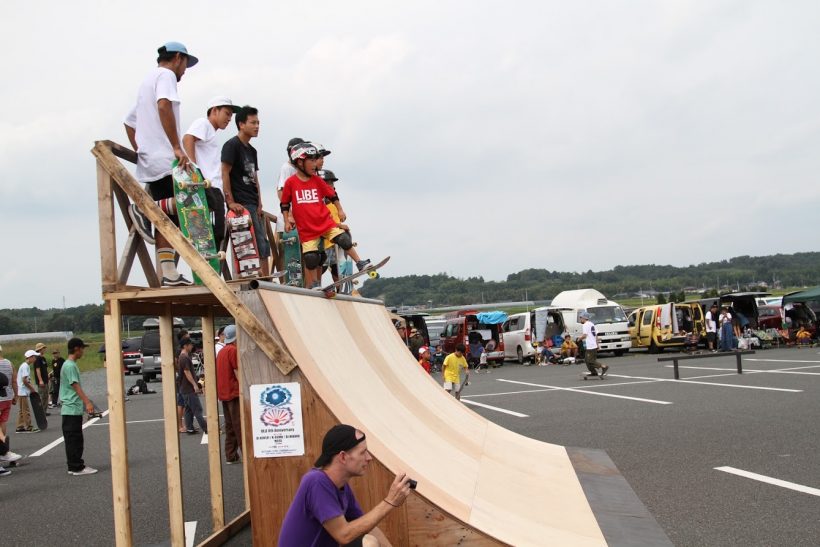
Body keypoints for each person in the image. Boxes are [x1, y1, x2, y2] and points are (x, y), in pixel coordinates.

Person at [124, 41, 199, 286]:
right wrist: (176, 146)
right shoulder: (166, 75)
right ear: (178, 58)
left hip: (152, 159)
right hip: (165, 158)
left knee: (170, 219)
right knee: (188, 204)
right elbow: (164, 105)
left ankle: (168, 273)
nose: (185, 71)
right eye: (186, 64)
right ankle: (144, 209)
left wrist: (141, 149)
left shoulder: (147, 82)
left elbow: (129, 121)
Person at [279, 424, 412, 546]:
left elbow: (366, 526)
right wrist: (390, 502)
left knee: (369, 539)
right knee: (369, 544)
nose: (369, 458)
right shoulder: (316, 481)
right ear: (343, 457)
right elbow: (344, 535)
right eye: (362, 452)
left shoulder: (341, 485)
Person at [280, 142, 370, 288]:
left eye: (316, 160)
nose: (315, 164)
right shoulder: (291, 183)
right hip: (307, 229)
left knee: (344, 239)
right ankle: (314, 285)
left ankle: (360, 263)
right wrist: (286, 220)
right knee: (311, 258)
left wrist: (340, 210)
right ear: (300, 162)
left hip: (324, 222)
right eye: (311, 161)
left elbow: (332, 195)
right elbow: (284, 203)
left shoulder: (317, 180)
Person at [183, 96, 242, 254]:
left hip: (214, 188)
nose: (229, 119)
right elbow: (188, 138)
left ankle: (210, 265)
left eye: (231, 115)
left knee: (217, 233)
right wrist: (193, 168)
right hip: (207, 185)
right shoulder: (204, 123)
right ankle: (206, 265)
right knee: (210, 234)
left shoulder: (211, 132)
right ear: (215, 110)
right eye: (227, 113)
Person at [222, 105, 271, 278]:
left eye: (258, 123)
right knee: (251, 244)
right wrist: (230, 201)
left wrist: (260, 203)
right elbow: (224, 173)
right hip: (240, 203)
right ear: (241, 124)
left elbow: (254, 178)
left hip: (252, 202)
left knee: (262, 242)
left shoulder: (252, 151)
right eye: (253, 123)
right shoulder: (232, 145)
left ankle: (265, 278)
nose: (257, 126)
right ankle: (261, 279)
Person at [61, 338, 97, 475]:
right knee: (74, 439)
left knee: (73, 439)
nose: (83, 351)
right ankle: (77, 467)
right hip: (70, 408)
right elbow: (75, 385)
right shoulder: (70, 365)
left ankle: (73, 466)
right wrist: (87, 402)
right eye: (82, 348)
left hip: (72, 408)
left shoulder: (69, 364)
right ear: (76, 349)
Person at [216, 325, 241, 464]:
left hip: (224, 393)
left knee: (230, 425)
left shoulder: (222, 351)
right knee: (239, 425)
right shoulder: (233, 350)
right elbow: (237, 371)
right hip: (234, 392)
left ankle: (231, 455)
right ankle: (247, 454)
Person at [178, 338, 207, 434]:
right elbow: (187, 372)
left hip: (184, 388)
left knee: (188, 409)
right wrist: (195, 385)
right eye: (190, 344)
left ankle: (190, 428)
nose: (192, 346)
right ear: (185, 346)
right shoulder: (184, 357)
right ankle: (207, 428)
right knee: (197, 409)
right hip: (188, 388)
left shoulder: (184, 356)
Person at [0, 345, 20, 471]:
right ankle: (3, 447)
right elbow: (14, 381)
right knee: (3, 422)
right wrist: (16, 395)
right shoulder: (9, 363)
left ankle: (3, 450)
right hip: (7, 397)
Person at [578, 312, 608, 377]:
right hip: (593, 345)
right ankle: (593, 372)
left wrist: (579, 339)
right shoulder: (591, 324)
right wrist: (597, 345)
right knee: (587, 360)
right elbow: (596, 335)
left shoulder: (585, 325)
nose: (580, 319)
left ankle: (604, 366)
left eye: (581, 317)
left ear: (584, 318)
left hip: (590, 346)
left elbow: (585, 335)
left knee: (590, 360)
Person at [15, 350, 38, 433]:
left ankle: (20, 427)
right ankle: (28, 427)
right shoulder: (25, 366)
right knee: (26, 410)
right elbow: (24, 380)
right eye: (34, 357)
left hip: (21, 391)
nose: (35, 358)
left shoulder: (24, 365)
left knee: (22, 410)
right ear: (30, 357)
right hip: (23, 391)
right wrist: (32, 389)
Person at [33, 342, 50, 416]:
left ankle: (44, 411)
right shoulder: (37, 358)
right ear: (40, 349)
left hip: (45, 380)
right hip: (41, 381)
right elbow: (38, 369)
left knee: (46, 396)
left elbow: (45, 368)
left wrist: (48, 375)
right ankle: (40, 412)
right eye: (43, 348)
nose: (44, 349)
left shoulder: (43, 358)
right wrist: (40, 380)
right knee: (42, 396)